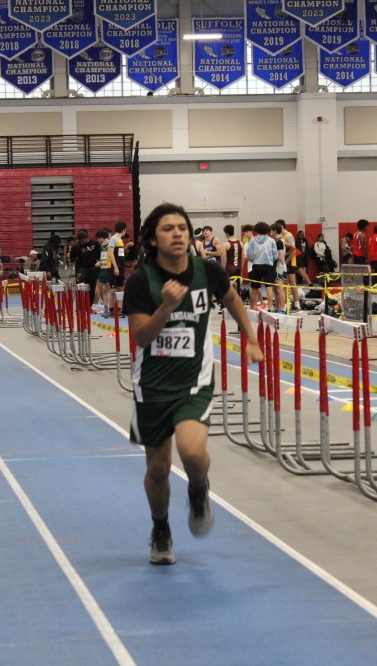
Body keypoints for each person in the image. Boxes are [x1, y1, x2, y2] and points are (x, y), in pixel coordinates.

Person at [124, 202, 263, 565]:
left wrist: (250, 339)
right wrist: (165, 308)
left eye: (182, 228)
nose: (177, 234)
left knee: (192, 453)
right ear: (152, 239)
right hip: (152, 385)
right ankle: (161, 528)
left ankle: (198, 489)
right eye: (168, 229)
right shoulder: (141, 281)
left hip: (194, 382)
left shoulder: (208, 271)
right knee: (157, 469)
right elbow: (141, 336)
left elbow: (232, 300)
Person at [246, 222, 278, 312]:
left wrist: (255, 259)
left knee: (254, 288)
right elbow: (275, 255)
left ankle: (252, 308)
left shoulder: (252, 241)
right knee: (269, 287)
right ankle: (269, 308)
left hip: (256, 266)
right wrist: (270, 260)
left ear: (256, 230)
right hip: (268, 266)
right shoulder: (272, 241)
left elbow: (249, 256)